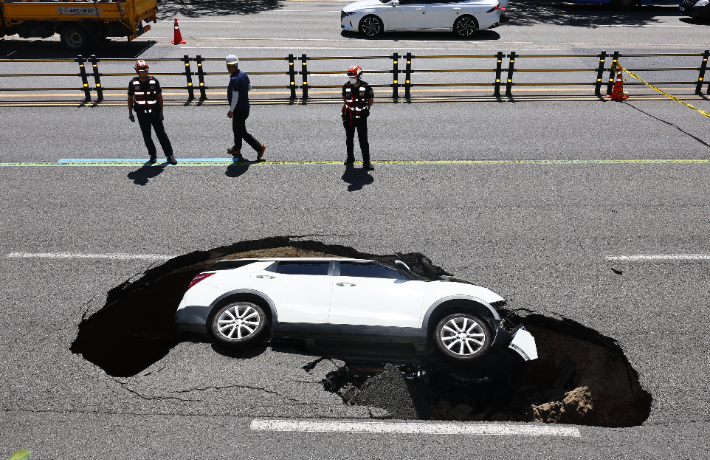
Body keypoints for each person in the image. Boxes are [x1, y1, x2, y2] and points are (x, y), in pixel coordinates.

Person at [127, 60, 176, 165]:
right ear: (137, 72)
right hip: (142, 114)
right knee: (147, 136)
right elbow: (130, 98)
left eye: (146, 71)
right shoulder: (133, 83)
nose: (144, 73)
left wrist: (161, 111)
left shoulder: (154, 81)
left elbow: (159, 96)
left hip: (154, 112)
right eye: (142, 71)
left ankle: (169, 155)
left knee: (161, 134)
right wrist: (130, 112)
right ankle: (153, 155)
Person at [226, 54, 266, 162]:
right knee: (236, 128)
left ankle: (259, 147)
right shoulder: (243, 74)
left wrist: (231, 110)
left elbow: (235, 97)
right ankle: (236, 149)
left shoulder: (234, 79)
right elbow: (249, 87)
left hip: (238, 110)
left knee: (242, 131)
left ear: (228, 66)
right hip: (245, 108)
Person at [342, 65, 374, 171]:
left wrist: (365, 109)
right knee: (349, 139)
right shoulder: (346, 86)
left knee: (363, 140)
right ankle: (350, 158)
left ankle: (366, 162)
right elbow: (345, 99)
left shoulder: (366, 87)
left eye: (354, 77)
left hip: (361, 118)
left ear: (359, 76)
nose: (351, 79)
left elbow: (370, 101)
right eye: (350, 77)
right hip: (350, 117)